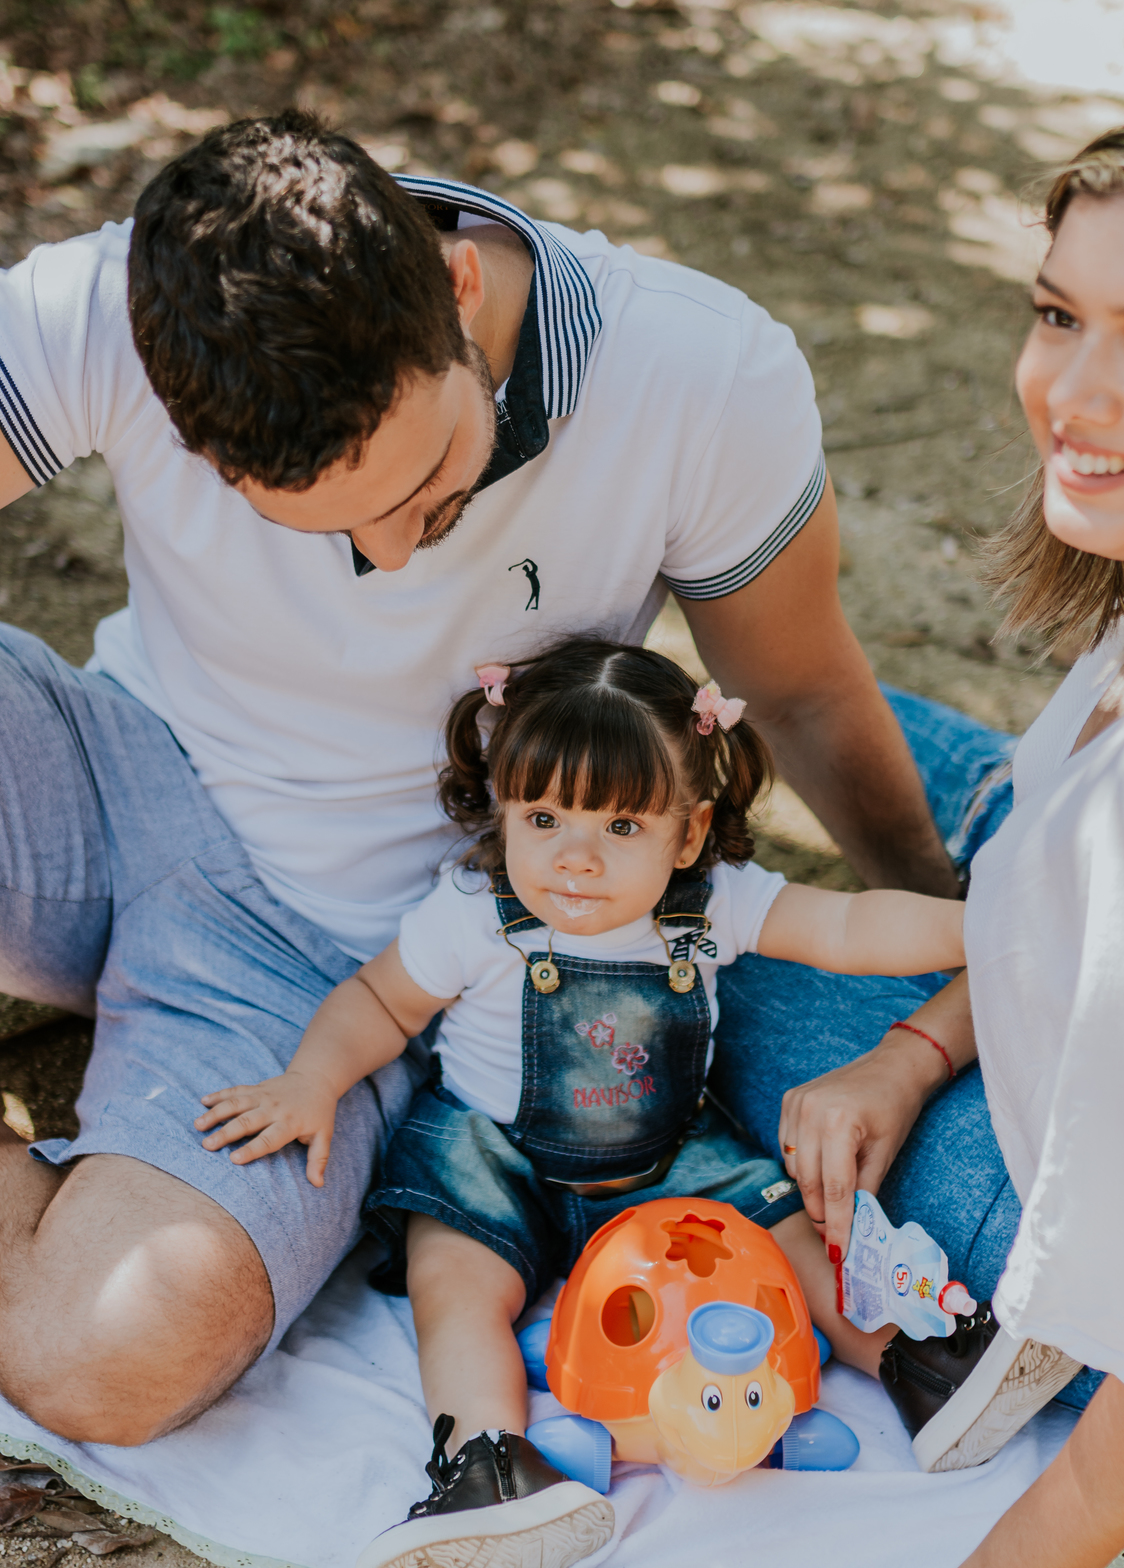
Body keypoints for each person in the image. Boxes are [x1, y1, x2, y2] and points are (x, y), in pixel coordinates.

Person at [0, 112, 960, 1446]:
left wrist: (966, 954)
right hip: (108, 769)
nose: (388, 559)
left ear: (455, 285)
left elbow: (800, 692)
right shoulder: (131, 303)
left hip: (337, 959)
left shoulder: (700, 374)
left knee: (108, 1355)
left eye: (429, 485)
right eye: (323, 522)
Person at [716, 105, 1124, 1568]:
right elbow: (1064, 885)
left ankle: (935, 1327)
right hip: (1048, 1010)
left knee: (626, 946)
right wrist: (912, 1044)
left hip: (1051, 1245)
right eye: (1061, 313)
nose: (1070, 390)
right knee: (818, 730)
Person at [193, 636, 967, 1568]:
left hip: (665, 1157)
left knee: (786, 1238)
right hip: (496, 1152)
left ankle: (913, 1363)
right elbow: (380, 1003)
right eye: (545, 816)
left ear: (687, 836)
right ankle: (486, 1467)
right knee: (456, 1286)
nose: (575, 856)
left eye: (621, 823)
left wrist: (975, 929)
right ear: (504, 808)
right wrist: (311, 1081)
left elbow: (851, 931)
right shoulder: (477, 914)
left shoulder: (710, 907)